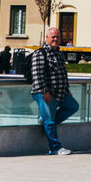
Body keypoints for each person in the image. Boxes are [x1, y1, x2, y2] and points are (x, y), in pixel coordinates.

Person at [30, 27, 80, 156]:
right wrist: (44, 92)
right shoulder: (40, 53)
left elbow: (63, 73)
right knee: (50, 121)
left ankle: (45, 121)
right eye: (53, 37)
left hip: (60, 92)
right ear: (46, 38)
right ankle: (55, 148)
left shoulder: (59, 53)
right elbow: (37, 75)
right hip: (46, 94)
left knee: (73, 106)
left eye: (57, 37)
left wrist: (67, 89)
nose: (55, 39)